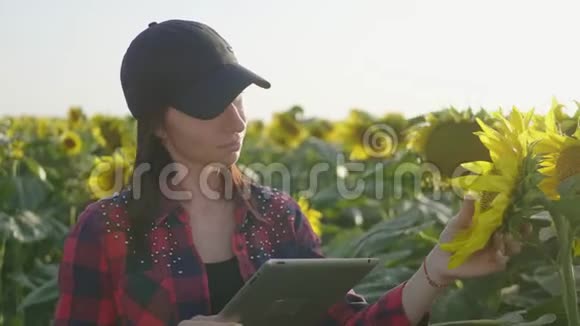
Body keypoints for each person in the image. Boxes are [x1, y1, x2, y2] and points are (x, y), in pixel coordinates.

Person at [53, 19, 527, 326]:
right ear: (156, 122)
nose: (237, 122)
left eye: (237, 99)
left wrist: (436, 272)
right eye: (210, 106)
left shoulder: (278, 216)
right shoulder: (106, 232)